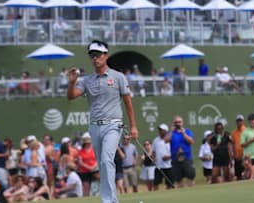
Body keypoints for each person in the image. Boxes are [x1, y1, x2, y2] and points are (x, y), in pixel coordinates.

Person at [67, 40, 138, 203]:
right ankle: (111, 199)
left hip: (113, 124)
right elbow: (71, 96)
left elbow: (128, 102)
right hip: (95, 126)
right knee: (103, 164)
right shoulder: (87, 80)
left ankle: (108, 201)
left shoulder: (118, 77)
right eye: (92, 56)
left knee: (107, 160)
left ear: (105, 56)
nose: (95, 59)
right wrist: (71, 82)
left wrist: (133, 126)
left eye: (98, 55)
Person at [166, 116, 195, 188]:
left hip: (186, 158)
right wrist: (171, 131)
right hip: (175, 158)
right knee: (178, 179)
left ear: (182, 123)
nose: (178, 124)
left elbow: (191, 141)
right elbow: (166, 140)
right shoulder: (171, 133)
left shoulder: (187, 131)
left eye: (179, 122)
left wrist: (184, 133)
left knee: (190, 177)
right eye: (176, 122)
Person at [152, 124, 174, 190]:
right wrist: (153, 158)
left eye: (161, 130)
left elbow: (175, 152)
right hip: (159, 167)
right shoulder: (156, 140)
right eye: (159, 130)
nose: (160, 131)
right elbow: (153, 152)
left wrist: (169, 157)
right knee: (156, 183)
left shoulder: (170, 140)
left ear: (166, 131)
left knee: (169, 184)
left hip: (169, 166)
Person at [230, 114, 246, 180]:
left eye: (240, 120)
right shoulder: (233, 133)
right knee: (238, 175)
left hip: (245, 156)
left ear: (243, 121)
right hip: (237, 157)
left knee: (245, 174)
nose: (239, 122)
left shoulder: (246, 130)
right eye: (238, 121)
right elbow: (232, 144)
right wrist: (233, 155)